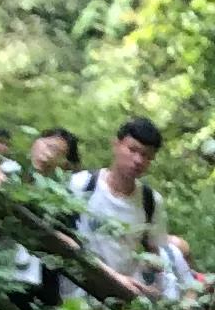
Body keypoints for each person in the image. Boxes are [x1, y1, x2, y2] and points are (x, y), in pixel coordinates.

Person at [68, 118, 178, 296]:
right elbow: (64, 238)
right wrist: (113, 277)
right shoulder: (82, 184)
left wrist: (158, 290)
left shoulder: (150, 201)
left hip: (122, 297)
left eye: (147, 156)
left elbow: (154, 252)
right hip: (76, 292)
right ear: (116, 145)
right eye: (132, 150)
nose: (138, 160)